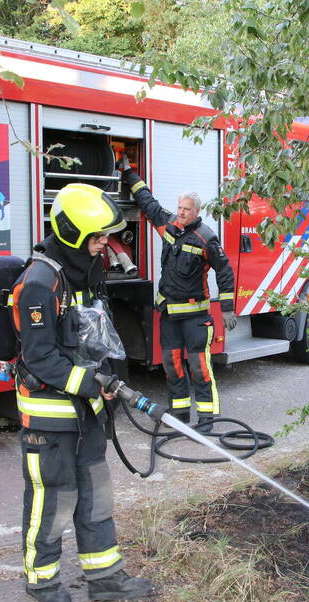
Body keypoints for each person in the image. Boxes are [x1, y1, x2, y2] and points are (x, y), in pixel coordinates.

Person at [11, 182, 152, 602]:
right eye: (96, 237)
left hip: (87, 410)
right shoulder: (38, 284)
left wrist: (108, 378)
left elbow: (95, 335)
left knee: (95, 492)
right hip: (50, 416)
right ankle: (42, 579)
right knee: (54, 497)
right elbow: (40, 358)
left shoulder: (83, 273)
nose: (103, 245)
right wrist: (94, 383)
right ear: (72, 233)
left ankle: (105, 576)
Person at [119, 157, 236, 432]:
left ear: (197, 212)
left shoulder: (207, 239)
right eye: (179, 208)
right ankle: (180, 414)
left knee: (199, 368)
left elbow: (225, 272)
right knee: (172, 365)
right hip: (169, 316)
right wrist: (128, 173)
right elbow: (148, 203)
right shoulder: (169, 226)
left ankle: (206, 419)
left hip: (196, 319)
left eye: (186, 210)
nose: (180, 213)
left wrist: (228, 307)